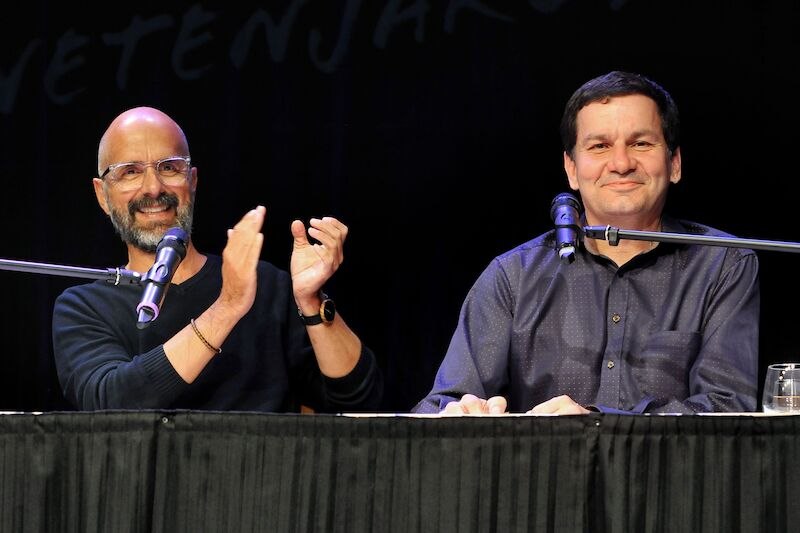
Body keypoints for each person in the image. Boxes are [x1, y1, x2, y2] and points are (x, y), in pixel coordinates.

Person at [413, 71, 759, 415]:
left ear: (674, 163)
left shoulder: (722, 263)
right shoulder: (513, 277)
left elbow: (726, 410)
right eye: (599, 146)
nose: (621, 164)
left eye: (641, 143)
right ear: (572, 169)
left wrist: (596, 424)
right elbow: (440, 405)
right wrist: (458, 414)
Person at [52, 106, 382, 412]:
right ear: (102, 195)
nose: (153, 188)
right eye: (130, 172)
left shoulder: (266, 286)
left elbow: (358, 401)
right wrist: (228, 307)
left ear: (192, 182)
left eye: (169, 167)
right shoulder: (83, 307)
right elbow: (112, 405)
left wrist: (312, 302)